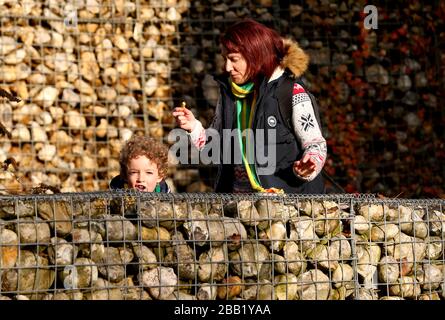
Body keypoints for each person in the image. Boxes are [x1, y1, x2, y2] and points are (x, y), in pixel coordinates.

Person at [173, 19, 327, 194]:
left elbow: (316, 144)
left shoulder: (292, 93)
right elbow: (215, 149)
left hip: (287, 208)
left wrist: (310, 164)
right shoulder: (230, 95)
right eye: (225, 59)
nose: (227, 67)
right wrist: (193, 127)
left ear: (255, 56)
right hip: (240, 208)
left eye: (233, 59)